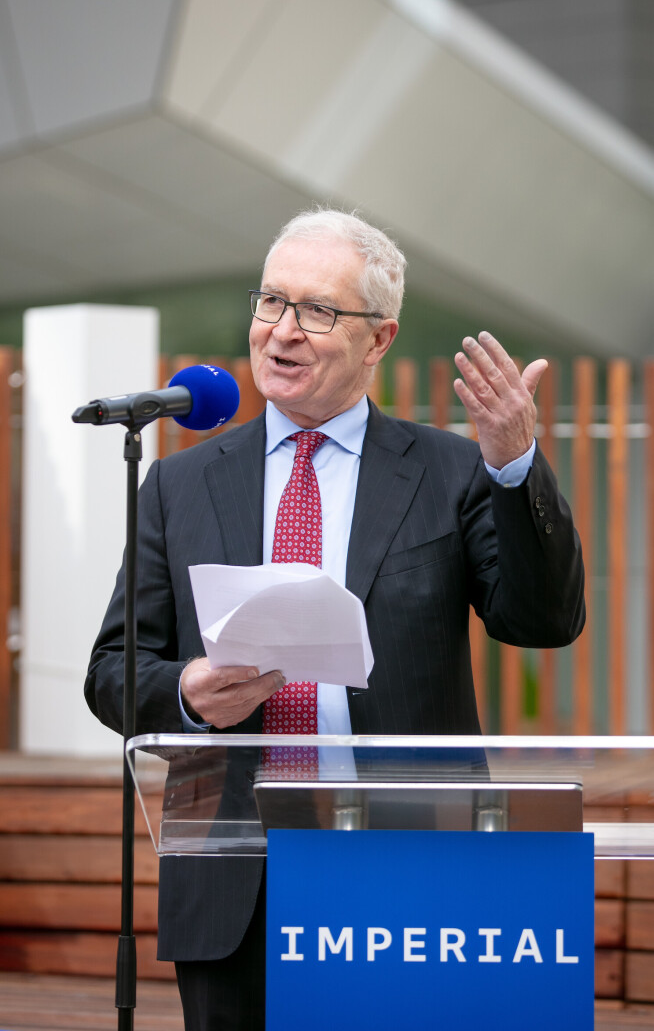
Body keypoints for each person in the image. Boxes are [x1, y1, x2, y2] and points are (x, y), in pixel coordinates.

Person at [85, 208, 585, 1030]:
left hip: (407, 869)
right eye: (270, 302)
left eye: (317, 311)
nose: (282, 331)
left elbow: (543, 622)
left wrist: (515, 465)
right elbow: (112, 674)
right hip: (236, 874)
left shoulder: (454, 471)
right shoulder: (179, 487)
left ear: (379, 340)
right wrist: (188, 693)